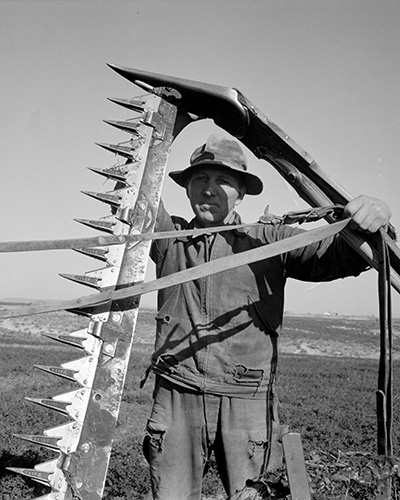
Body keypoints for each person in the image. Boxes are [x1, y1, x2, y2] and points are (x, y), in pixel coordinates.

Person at [143, 133, 391, 500]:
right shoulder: (169, 239)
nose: (208, 190)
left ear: (241, 193)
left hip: (248, 402)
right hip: (178, 396)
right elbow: (139, 193)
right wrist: (168, 124)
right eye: (199, 179)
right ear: (187, 189)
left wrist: (375, 218)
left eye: (222, 180)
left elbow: (340, 253)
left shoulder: (270, 239)